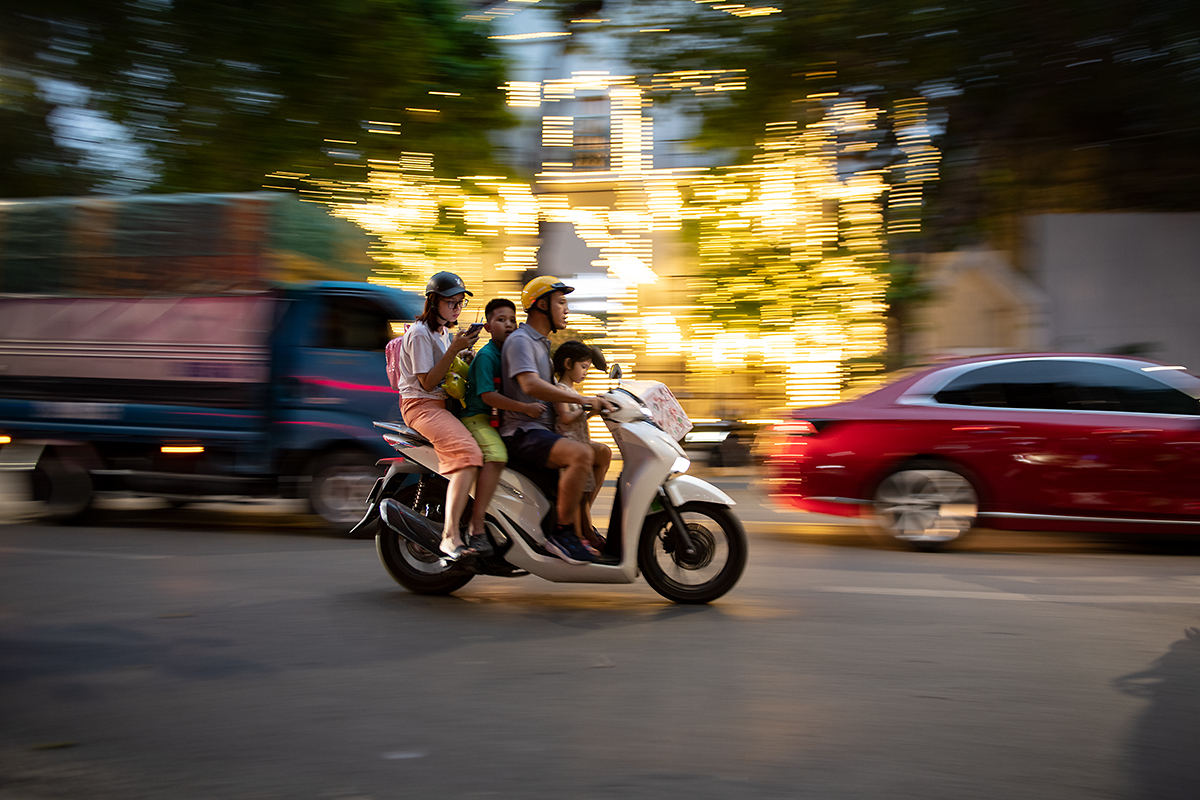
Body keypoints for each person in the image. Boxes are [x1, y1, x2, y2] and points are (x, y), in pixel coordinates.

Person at [500, 275, 615, 565]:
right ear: (541, 305)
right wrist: (581, 400)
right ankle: (563, 535)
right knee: (580, 454)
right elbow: (530, 386)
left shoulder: (541, 344)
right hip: (522, 432)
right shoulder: (521, 340)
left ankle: (582, 525)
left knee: (601, 452)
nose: (566, 309)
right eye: (561, 302)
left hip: (542, 430)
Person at [386, 271, 488, 561]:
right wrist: (455, 348)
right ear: (434, 302)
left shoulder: (442, 332)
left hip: (441, 405)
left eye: (460, 303)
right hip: (421, 406)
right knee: (468, 454)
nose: (456, 308)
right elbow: (428, 383)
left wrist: (462, 353)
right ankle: (450, 536)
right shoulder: (419, 333)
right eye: (451, 303)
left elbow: (444, 372)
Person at [458, 297, 546, 544]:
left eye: (512, 320)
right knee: (497, 457)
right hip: (477, 417)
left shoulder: (510, 351)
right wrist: (526, 408)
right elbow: (488, 396)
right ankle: (476, 526)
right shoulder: (488, 355)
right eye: (500, 320)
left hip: (498, 420)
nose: (508, 325)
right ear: (487, 327)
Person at [552, 339, 611, 555]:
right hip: (570, 449)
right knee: (579, 493)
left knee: (604, 454)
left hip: (580, 444)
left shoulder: (573, 390)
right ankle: (580, 536)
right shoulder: (560, 389)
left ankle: (586, 529)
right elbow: (566, 418)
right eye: (583, 367)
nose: (585, 372)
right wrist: (585, 407)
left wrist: (592, 410)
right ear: (568, 364)